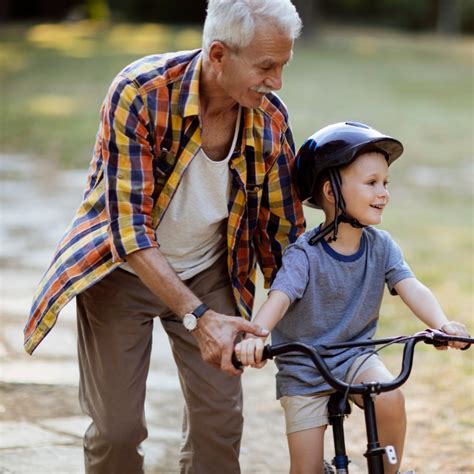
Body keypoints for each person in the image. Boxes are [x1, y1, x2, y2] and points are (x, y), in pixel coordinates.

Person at [23, 1, 305, 473]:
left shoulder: (269, 120)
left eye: (283, 66)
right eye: (266, 67)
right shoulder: (141, 92)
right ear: (218, 55)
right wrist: (198, 319)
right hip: (122, 268)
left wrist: (315, 332)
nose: (276, 82)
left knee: (219, 426)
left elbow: (284, 236)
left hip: (210, 271)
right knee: (116, 432)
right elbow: (129, 231)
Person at [235, 121, 470, 474]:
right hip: (304, 369)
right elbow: (280, 297)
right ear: (331, 191)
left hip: (355, 355)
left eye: (385, 183)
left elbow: (412, 287)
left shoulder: (381, 246)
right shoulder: (305, 255)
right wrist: (257, 336)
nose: (384, 193)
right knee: (305, 470)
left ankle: (388, 471)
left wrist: (442, 325)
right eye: (372, 183)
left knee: (390, 397)